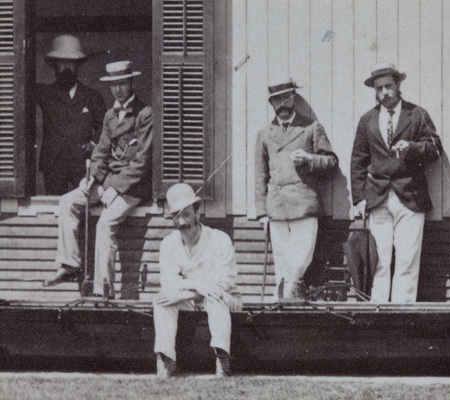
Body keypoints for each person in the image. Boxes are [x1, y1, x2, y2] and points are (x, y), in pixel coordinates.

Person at [43, 61, 153, 297]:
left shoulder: (145, 114)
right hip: (108, 183)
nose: (118, 90)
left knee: (104, 224)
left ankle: (104, 290)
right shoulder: (109, 116)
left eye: (122, 83)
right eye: (114, 85)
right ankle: (70, 264)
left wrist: (114, 187)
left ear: (131, 83)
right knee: (67, 202)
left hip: (132, 188)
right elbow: (101, 151)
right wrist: (92, 178)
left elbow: (142, 162)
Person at [350, 62, 442, 303]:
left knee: (407, 261)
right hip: (377, 198)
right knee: (379, 260)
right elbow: (358, 160)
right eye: (379, 89)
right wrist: (359, 198)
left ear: (398, 85)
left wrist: (412, 149)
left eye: (388, 87)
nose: (384, 94)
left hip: (410, 197)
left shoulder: (417, 114)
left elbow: (435, 149)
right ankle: (377, 313)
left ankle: (402, 316)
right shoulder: (367, 120)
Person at [254, 77, 338, 300]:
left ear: (293, 99)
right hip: (276, 209)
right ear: (271, 103)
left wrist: (310, 159)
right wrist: (262, 212)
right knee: (282, 265)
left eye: (285, 98)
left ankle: (282, 301)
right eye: (275, 100)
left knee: (299, 263)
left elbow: (331, 162)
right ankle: (284, 308)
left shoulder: (311, 128)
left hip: (303, 206)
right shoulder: (264, 134)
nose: (281, 105)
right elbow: (260, 175)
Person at [153, 183, 242, 378]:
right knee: (162, 300)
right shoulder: (169, 243)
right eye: (176, 216)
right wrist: (198, 287)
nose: (182, 221)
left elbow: (223, 282)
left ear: (197, 212)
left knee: (215, 296)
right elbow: (169, 283)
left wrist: (196, 289)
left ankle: (222, 360)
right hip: (193, 298)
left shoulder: (220, 239)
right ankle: (166, 360)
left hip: (225, 299)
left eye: (186, 213)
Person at [37, 34, 106, 195]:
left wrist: (94, 144)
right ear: (54, 65)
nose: (67, 67)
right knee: (54, 207)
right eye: (62, 62)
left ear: (78, 64)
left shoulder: (92, 96)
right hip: (54, 161)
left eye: (71, 62)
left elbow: (104, 125)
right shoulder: (44, 94)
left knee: (83, 204)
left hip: (82, 161)